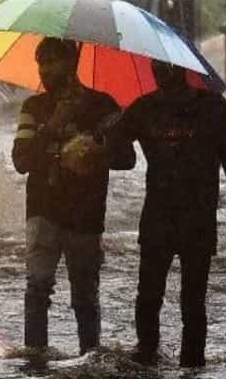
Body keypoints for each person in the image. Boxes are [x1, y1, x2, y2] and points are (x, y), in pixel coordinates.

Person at [109, 59, 226, 369]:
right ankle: (148, 359)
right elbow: (114, 150)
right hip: (159, 219)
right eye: (157, 68)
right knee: (150, 296)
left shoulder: (213, 108)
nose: (161, 73)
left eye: (165, 68)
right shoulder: (143, 108)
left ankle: (191, 369)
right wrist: (109, 131)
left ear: (182, 69)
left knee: (192, 303)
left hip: (197, 220)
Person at [12, 37, 136, 355]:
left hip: (86, 214)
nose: (46, 70)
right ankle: (36, 361)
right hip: (43, 212)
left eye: (53, 62)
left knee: (84, 295)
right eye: (41, 63)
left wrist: (95, 150)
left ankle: (89, 357)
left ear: (72, 64)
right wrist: (52, 127)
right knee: (38, 289)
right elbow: (21, 160)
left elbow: (127, 158)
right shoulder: (34, 108)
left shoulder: (103, 106)